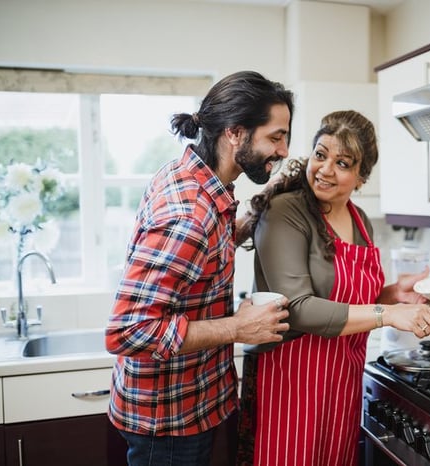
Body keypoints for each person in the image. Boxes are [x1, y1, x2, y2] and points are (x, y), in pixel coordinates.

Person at [104, 70, 295, 466]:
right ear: (236, 133)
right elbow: (129, 331)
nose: (283, 151)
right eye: (275, 137)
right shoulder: (188, 216)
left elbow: (202, 254)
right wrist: (238, 328)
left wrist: (264, 202)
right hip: (168, 423)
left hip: (189, 405)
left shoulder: (195, 180)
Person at [236, 110, 430, 466]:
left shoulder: (360, 220)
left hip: (342, 381)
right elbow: (299, 307)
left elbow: (353, 300)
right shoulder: (286, 211)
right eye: (321, 155)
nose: (326, 169)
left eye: (343, 163)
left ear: (361, 177)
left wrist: (393, 294)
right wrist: (390, 313)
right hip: (290, 382)